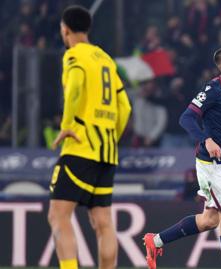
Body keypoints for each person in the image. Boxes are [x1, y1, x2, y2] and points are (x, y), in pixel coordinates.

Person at [143, 46, 221, 269]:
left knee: (209, 220)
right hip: (211, 162)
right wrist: (205, 139)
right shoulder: (214, 89)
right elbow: (186, 118)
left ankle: (155, 240)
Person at [47, 6, 131, 269]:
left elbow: (74, 87)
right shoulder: (106, 59)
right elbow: (125, 107)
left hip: (80, 147)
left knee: (59, 216)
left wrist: (67, 124)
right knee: (103, 221)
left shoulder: (74, 56)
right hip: (107, 150)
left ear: (65, 29)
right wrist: (111, 136)